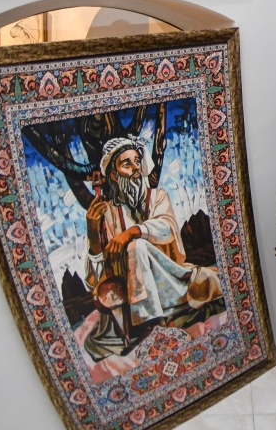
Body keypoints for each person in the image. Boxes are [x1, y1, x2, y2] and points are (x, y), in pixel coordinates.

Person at [82, 135, 223, 360]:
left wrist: (132, 232)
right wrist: (93, 234)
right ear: (114, 175)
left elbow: (166, 227)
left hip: (171, 281)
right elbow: (97, 279)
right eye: (126, 164)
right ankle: (148, 321)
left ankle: (149, 323)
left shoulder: (157, 197)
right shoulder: (107, 213)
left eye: (137, 162)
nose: (135, 169)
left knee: (136, 245)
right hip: (130, 294)